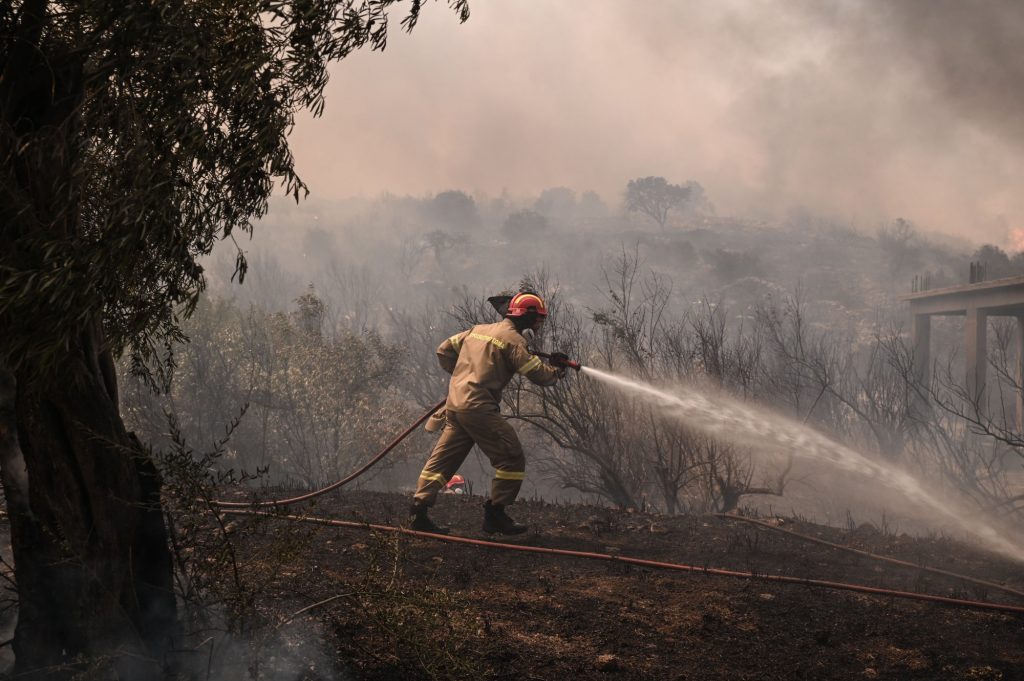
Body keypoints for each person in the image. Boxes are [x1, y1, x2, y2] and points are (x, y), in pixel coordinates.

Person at [409, 292, 569, 535]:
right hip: (479, 409)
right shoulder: (514, 341)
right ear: (527, 317)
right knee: (511, 457)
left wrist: (462, 377)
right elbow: (540, 376)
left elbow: (443, 350)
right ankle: (495, 514)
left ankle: (418, 513)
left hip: (456, 405)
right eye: (538, 320)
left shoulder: (478, 330)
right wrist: (557, 370)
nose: (539, 325)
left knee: (443, 460)